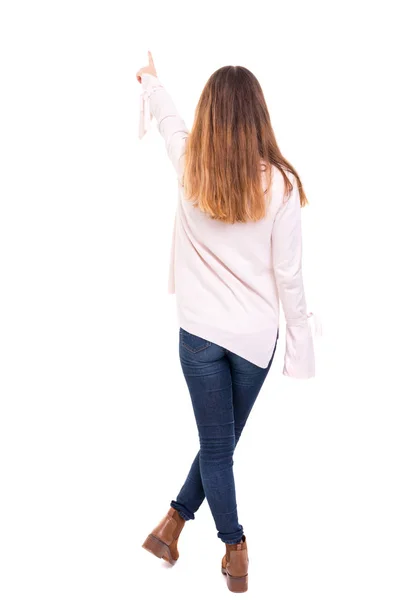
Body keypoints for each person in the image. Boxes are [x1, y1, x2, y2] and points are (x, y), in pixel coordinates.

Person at [136, 51, 315, 594]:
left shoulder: (191, 163)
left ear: (210, 114)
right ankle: (233, 545)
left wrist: (150, 80)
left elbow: (170, 121)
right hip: (255, 339)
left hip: (198, 338)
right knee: (220, 446)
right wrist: (300, 351)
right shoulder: (280, 184)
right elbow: (290, 276)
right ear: (259, 114)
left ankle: (174, 524)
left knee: (217, 445)